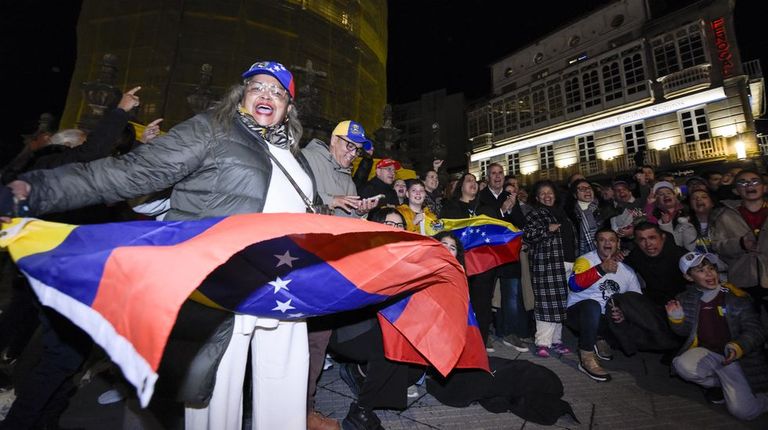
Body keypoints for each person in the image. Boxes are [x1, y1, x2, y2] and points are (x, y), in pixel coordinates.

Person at [5, 60, 316, 430]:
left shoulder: (296, 157)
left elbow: (309, 214)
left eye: (278, 92)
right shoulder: (212, 130)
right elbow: (130, 172)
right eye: (258, 87)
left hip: (285, 286)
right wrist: (35, 190)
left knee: (285, 389)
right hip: (224, 286)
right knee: (216, 395)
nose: (268, 95)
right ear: (241, 96)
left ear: (288, 109)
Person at [302, 119, 379, 430]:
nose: (353, 153)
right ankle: (295, 409)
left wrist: (361, 211)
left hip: (330, 268)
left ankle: (304, 408)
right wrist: (331, 201)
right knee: (297, 340)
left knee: (318, 339)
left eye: (357, 150)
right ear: (333, 140)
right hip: (301, 263)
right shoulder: (306, 159)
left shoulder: (348, 178)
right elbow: (289, 202)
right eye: (350, 146)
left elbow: (346, 222)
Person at [330, 207, 424, 430]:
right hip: (348, 329)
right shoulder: (360, 254)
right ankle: (361, 412)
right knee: (390, 347)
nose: (394, 229)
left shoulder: (404, 261)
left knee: (411, 359)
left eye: (399, 226)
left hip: (378, 326)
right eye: (389, 224)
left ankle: (359, 372)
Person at [667, 252, 768, 420]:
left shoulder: (735, 296)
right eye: (701, 270)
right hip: (710, 353)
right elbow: (685, 333)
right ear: (688, 277)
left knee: (744, 412)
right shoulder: (685, 298)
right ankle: (724, 385)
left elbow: (756, 330)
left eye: (711, 268)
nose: (709, 274)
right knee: (681, 365)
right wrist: (676, 319)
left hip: (735, 359)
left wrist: (738, 346)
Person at [567, 228, 643, 381]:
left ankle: (600, 337)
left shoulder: (628, 272)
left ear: (618, 243)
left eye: (612, 240)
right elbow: (574, 285)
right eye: (602, 239)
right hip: (579, 315)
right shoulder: (586, 260)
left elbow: (637, 302)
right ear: (596, 243)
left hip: (606, 319)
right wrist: (601, 269)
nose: (607, 243)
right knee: (592, 305)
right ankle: (586, 357)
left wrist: (624, 314)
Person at [524, 180, 576, 358]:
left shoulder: (564, 214)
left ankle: (556, 340)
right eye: (542, 194)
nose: (547, 196)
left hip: (568, 263)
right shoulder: (535, 214)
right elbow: (528, 234)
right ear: (537, 198)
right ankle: (543, 342)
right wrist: (547, 229)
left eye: (550, 192)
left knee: (560, 304)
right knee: (547, 304)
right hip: (548, 264)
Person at [710, 169, 768, 310]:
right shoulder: (725, 216)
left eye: (755, 181)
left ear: (764, 187)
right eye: (743, 183)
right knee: (751, 325)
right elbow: (717, 246)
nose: (749, 186)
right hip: (743, 280)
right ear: (736, 191)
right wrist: (740, 244)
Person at [624, 222, 687, 308]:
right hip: (654, 306)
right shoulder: (636, 256)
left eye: (652, 238)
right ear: (636, 242)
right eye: (642, 240)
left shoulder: (681, 256)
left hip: (685, 304)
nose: (648, 244)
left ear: (663, 238)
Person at [645, 181, 696, 251]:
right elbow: (649, 228)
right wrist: (650, 205)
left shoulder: (687, 210)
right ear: (657, 200)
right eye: (661, 194)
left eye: (669, 193)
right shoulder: (655, 214)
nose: (666, 195)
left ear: (675, 196)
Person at [569, 179, 602, 256]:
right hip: (583, 255)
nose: (587, 190)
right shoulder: (570, 214)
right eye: (582, 189)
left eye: (589, 188)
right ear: (575, 194)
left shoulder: (604, 208)